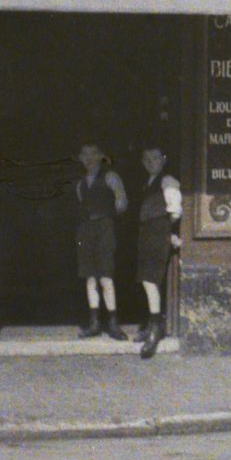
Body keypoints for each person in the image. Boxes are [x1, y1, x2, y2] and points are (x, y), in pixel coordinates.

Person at [74, 142, 129, 340]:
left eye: (92, 154)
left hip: (105, 227)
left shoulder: (111, 177)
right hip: (85, 230)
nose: (88, 158)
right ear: (80, 158)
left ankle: (113, 323)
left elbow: (122, 203)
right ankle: (94, 323)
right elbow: (81, 204)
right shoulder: (80, 183)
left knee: (106, 276)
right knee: (90, 277)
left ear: (100, 156)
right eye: (84, 154)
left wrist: (109, 216)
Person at [134, 146, 184, 359]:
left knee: (150, 280)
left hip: (158, 232)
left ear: (163, 160)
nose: (150, 162)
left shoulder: (167, 180)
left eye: (154, 158)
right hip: (147, 233)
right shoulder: (149, 181)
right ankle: (152, 323)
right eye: (146, 158)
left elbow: (175, 210)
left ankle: (156, 327)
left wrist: (167, 230)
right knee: (147, 278)